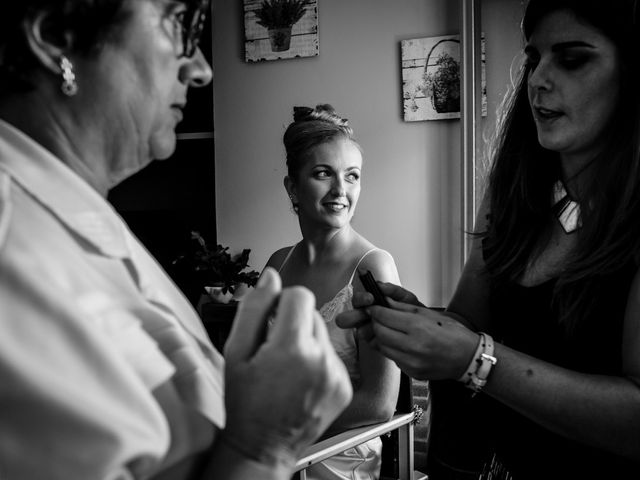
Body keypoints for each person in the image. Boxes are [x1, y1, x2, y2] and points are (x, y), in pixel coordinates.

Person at [0, 2, 352, 479]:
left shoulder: (80, 213)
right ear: (56, 37)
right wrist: (262, 447)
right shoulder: (12, 246)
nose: (202, 68)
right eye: (179, 23)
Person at [337, 0, 640, 478]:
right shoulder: (514, 195)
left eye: (573, 59)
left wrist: (478, 361)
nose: (538, 79)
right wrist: (415, 321)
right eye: (534, 57)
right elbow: (466, 319)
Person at [264, 104, 401, 480]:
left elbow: (379, 404)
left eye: (352, 176)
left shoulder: (373, 268)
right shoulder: (277, 264)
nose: (341, 190)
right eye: (323, 174)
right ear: (293, 186)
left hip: (338, 453)